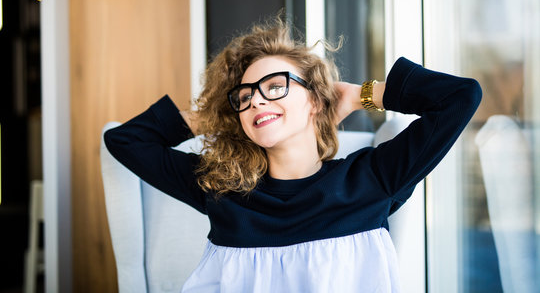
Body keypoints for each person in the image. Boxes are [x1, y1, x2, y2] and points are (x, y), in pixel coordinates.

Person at [104, 17, 482, 292]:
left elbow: (459, 97)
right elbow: (125, 141)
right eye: (246, 96)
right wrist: (216, 114)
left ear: (316, 100)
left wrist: (360, 94)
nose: (257, 100)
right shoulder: (221, 190)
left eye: (275, 86)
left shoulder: (373, 180)